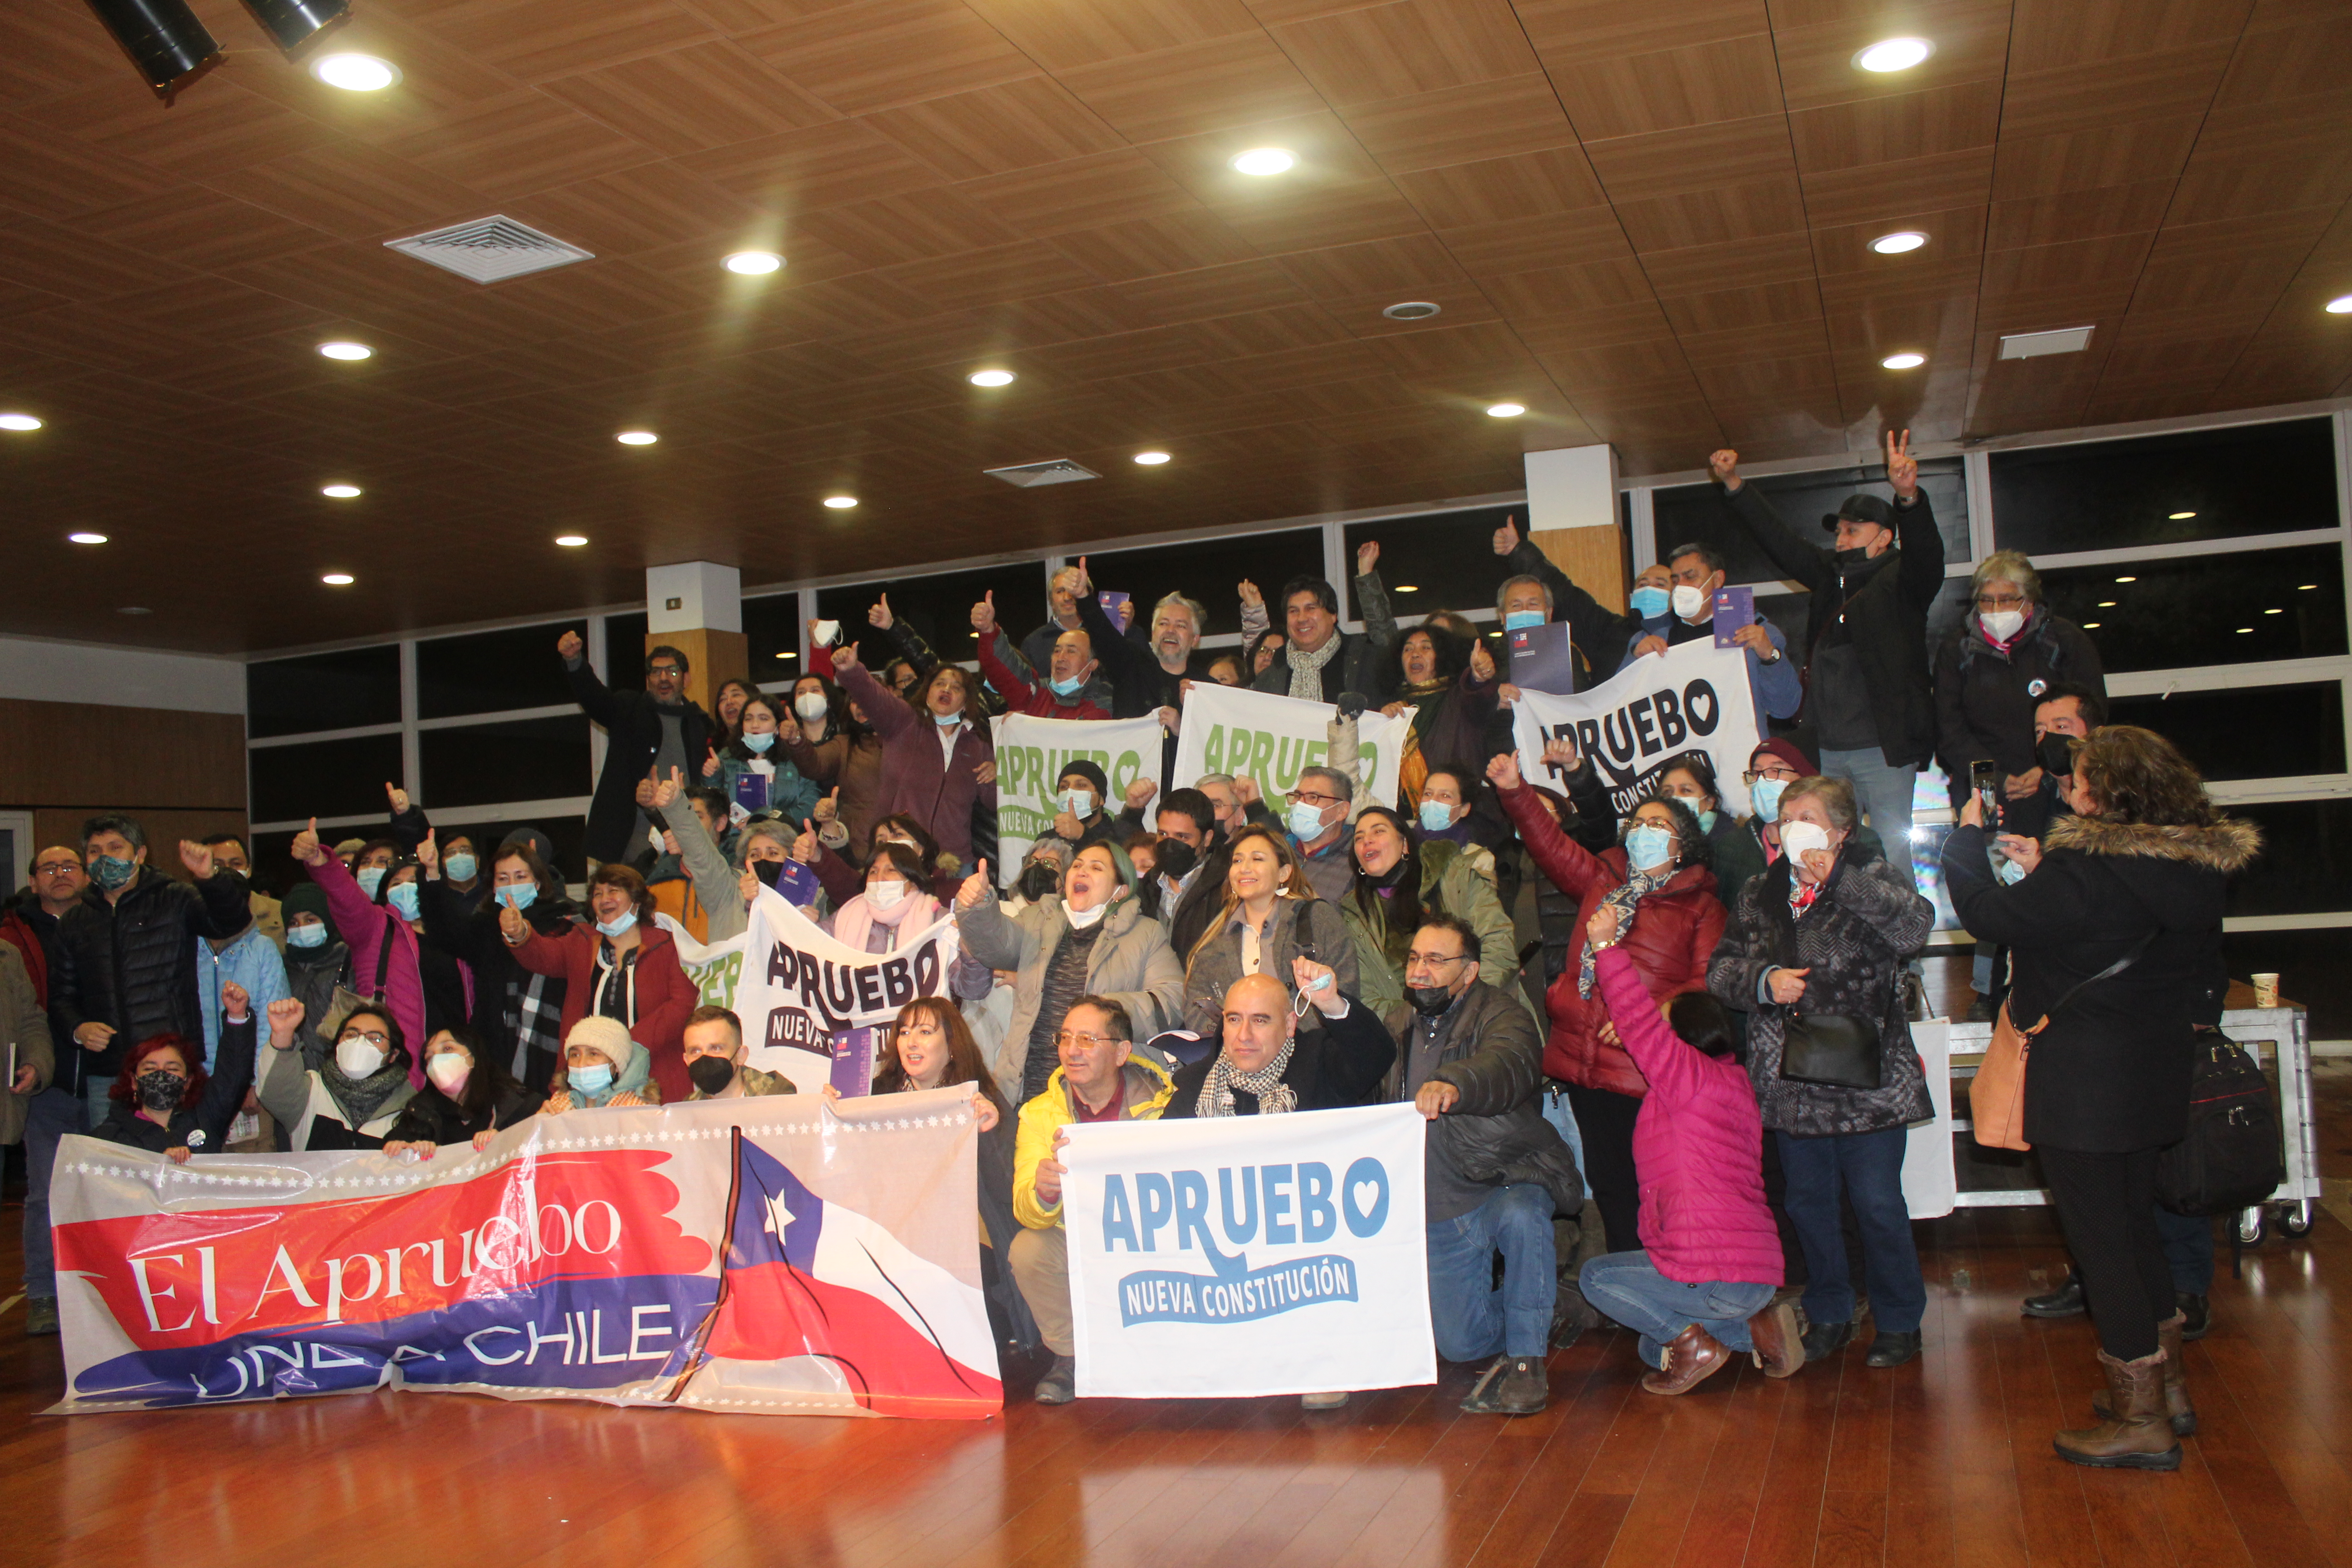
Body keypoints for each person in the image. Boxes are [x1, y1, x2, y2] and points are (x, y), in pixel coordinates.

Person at [1942, 726, 2254, 1469]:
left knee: (2101, 1243)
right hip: (2151, 1073)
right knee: (2133, 1226)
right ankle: (2166, 1389)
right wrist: (2048, 867)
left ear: (2104, 790)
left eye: (2078, 776)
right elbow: (2108, 913)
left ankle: (2136, 1417)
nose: (2068, 787)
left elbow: (1990, 917)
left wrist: (1961, 846)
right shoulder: (2189, 864)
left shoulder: (2086, 868)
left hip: (2082, 1081)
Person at [1708, 774, 1934, 1369]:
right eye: (1786, 817)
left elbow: (1914, 930)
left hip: (1867, 1079)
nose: (1794, 826)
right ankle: (1831, 1310)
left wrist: (1840, 879)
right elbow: (1721, 971)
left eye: (1806, 815)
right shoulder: (1761, 891)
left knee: (1877, 1203)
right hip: (1790, 1081)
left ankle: (1900, 1319)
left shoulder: (1874, 879)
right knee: (1808, 1203)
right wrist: (1764, 982)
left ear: (1840, 829)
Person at [1490, 746, 1725, 1255]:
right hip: (1585, 1062)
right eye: (1637, 822)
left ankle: (1670, 1285)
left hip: (1646, 1069)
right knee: (1610, 1184)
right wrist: (1516, 790)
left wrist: (1660, 1014)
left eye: (1658, 823)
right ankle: (1626, 1285)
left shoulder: (1701, 905)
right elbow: (1550, 844)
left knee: (1657, 1185)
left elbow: (1709, 980)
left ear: (1683, 843)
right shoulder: (1603, 879)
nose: (1643, 830)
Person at [1577, 905, 1802, 1393]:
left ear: (1682, 1037)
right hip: (1752, 1275)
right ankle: (1755, 1331)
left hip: (1714, 1275)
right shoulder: (1730, 1084)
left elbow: (1638, 1021)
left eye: (1665, 1024)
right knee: (1647, 1345)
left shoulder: (1687, 1078)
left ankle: (1700, 1344)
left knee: (1597, 1279)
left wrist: (1607, 947)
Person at [1385, 914, 1583, 1416]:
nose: (1420, 972)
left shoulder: (1504, 1014)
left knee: (1523, 1216)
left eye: (1435, 960)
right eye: (1413, 959)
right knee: (1460, 1344)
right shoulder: (1396, 1023)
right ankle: (1546, 1301)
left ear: (1469, 972)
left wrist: (1454, 1083)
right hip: (1439, 1208)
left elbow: (1510, 1064)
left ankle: (1526, 1362)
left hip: (1504, 1179)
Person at [1710, 434, 1944, 857]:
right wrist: (1736, 486)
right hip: (1828, 750)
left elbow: (1927, 555)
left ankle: (1903, 926)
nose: (1841, 539)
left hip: (1883, 749)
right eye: (1839, 531)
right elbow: (1780, 541)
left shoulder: (1904, 580)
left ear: (1884, 538)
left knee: (1891, 852)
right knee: (1827, 854)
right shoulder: (1827, 576)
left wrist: (1909, 498)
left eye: (1853, 531)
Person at [1010, 995, 1177, 1404]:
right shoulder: (1038, 1114)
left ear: (1121, 1052)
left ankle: (1175, 1351)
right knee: (1028, 1249)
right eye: (1065, 1038)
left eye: (1087, 1039)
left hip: (1156, 1237)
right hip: (1081, 1237)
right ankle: (1071, 1357)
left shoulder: (1169, 1105)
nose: (1071, 1050)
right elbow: (1026, 1209)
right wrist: (1044, 1192)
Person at [858, 997, 1034, 1353]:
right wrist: (836, 1113)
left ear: (952, 1045)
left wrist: (989, 1134)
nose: (911, 1041)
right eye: (904, 1032)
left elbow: (1007, 1194)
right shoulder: (873, 1096)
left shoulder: (981, 1103)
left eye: (925, 1032)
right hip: (893, 1228)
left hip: (964, 1235)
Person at [50, 818, 252, 1122]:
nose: (105, 857)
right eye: (94, 851)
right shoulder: (75, 921)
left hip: (170, 1064)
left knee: (178, 1159)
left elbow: (230, 922)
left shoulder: (175, 897)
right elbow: (60, 997)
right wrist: (78, 1028)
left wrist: (209, 878)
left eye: (115, 847)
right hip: (108, 1072)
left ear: (141, 853)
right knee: (114, 1166)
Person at [953, 841, 1185, 1102]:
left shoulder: (1146, 933)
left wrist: (1107, 1013)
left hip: (1101, 1096)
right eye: (1077, 866)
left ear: (1120, 891)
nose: (1082, 872)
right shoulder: (1037, 919)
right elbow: (995, 946)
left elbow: (1172, 1002)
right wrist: (980, 905)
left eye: (1096, 868)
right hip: (1026, 1087)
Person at [506, 862, 696, 1103]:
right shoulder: (581, 941)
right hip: (586, 1078)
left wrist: (626, 1044)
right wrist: (520, 933)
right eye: (598, 893)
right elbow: (543, 956)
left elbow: (683, 1004)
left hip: (655, 1073)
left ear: (637, 901)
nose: (604, 898)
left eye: (613, 891)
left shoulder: (669, 945)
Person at [287, 821, 452, 1080]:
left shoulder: (453, 933)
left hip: (450, 1066)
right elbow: (347, 898)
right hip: (393, 1068)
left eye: (413, 880)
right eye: (396, 882)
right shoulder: (375, 928)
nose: (406, 887)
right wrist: (320, 860)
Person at [416, 835, 575, 1093]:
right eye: (503, 879)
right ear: (492, 887)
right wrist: (432, 875)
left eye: (520, 876)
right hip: (494, 1048)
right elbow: (444, 931)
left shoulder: (564, 926)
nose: (511, 885)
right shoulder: (486, 928)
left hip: (549, 1044)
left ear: (538, 881)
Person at [1180, 823, 1356, 1045]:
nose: (1244, 868)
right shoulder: (1213, 941)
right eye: (1237, 861)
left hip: (1309, 1058)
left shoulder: (1317, 919)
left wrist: (1284, 1041)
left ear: (1284, 873)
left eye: (1257, 859)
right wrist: (1238, 1042)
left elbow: (1346, 991)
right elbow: (1196, 1008)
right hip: (1237, 1062)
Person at [557, 629, 715, 869]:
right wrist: (575, 662)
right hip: (631, 836)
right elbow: (595, 700)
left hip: (684, 834)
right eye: (656, 672)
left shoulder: (701, 723)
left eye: (672, 672)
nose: (664, 678)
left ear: (686, 680)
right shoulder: (628, 709)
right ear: (648, 680)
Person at [829, 639, 992, 867]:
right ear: (927, 692)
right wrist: (851, 670)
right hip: (898, 856)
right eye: (940, 684)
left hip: (954, 862)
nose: (947, 689)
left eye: (956, 688)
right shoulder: (903, 721)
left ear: (966, 702)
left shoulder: (979, 744)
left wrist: (998, 774)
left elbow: (995, 803)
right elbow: (873, 697)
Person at [1340, 806, 1516, 1015]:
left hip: (1480, 1013)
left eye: (1379, 831)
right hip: (1407, 1030)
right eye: (1359, 838)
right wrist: (1414, 1019)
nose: (1367, 841)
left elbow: (1498, 942)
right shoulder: (1354, 914)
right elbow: (1366, 996)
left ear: (1405, 844)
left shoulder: (1455, 876)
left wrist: (1462, 1004)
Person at [11, 845, 83, 1336]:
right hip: (46, 1087)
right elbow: (28, 1017)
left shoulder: (107, 924)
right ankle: (41, 1294)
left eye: (68, 867)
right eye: (48, 869)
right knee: (44, 1195)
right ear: (34, 882)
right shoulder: (11, 938)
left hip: (105, 1079)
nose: (59, 875)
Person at [1622, 544, 1803, 731]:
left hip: (1737, 753)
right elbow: (1619, 708)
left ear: (1717, 580)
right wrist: (1635, 659)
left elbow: (1785, 709)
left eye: (1690, 577)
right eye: (1676, 581)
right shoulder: (1651, 636)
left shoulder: (1755, 633)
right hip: (1677, 757)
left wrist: (1771, 658)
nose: (1681, 587)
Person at [90, 987, 259, 1160]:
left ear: (188, 1082)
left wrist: (237, 1017)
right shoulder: (109, 1138)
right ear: (133, 1081)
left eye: (172, 1069)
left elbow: (233, 1077)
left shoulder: (205, 1116)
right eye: (150, 1068)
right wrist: (159, 1162)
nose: (161, 1075)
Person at [1490, 513, 1639, 693]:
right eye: (1516, 606)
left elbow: (1579, 705)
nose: (1525, 611)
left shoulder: (1566, 655)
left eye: (1533, 604)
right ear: (1503, 616)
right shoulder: (1487, 661)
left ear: (1549, 613)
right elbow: (1567, 595)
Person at [258, 998, 418, 1150]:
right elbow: (274, 1093)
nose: (360, 1043)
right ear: (337, 1045)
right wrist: (283, 1034)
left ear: (393, 1055)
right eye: (351, 1035)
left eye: (374, 1038)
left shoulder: (411, 1110)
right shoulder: (312, 1091)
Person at [1251, 549, 1398, 702]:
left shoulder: (1362, 659)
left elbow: (1391, 645)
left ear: (1333, 614)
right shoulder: (1271, 674)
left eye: (1311, 609)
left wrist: (1366, 575)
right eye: (1294, 611)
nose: (1302, 618)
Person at [380, 1025, 540, 1157]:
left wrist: (508, 1141)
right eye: (429, 1058)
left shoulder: (519, 1105)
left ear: (474, 1056)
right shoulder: (418, 1116)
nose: (436, 1061)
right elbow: (388, 1168)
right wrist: (404, 1154)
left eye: (448, 1048)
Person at [782, 668, 885, 865]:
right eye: (855, 700)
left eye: (869, 698)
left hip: (905, 845)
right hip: (860, 851)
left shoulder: (908, 741)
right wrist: (797, 740)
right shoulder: (844, 744)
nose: (861, 705)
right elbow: (815, 766)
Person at [193, 877, 289, 1073]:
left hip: (247, 1077)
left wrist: (255, 1081)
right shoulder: (186, 948)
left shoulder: (263, 949)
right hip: (196, 1080)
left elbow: (270, 1023)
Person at [974, 592, 1110, 720]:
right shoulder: (1035, 692)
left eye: (1071, 651)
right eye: (1057, 651)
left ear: (1093, 664)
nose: (1061, 658)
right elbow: (1003, 668)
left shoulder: (1106, 704)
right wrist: (988, 630)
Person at [710, 692, 820, 823]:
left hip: (785, 838)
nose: (755, 725)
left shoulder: (795, 760)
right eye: (748, 719)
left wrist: (768, 818)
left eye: (763, 718)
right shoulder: (726, 758)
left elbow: (810, 805)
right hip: (736, 840)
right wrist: (711, 775)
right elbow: (712, 806)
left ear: (778, 726)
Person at [825, 842, 947, 953]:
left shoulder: (939, 920)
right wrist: (807, 921)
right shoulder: (845, 916)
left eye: (891, 870)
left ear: (913, 881)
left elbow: (957, 974)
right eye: (873, 872)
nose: (880, 879)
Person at [541, 1014, 660, 1112]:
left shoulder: (636, 1110)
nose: (581, 1064)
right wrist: (540, 1125)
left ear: (616, 1065)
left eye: (593, 1054)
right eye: (575, 1055)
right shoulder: (558, 1104)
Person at [679, 1004, 795, 1099]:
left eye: (716, 1049)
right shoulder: (687, 1112)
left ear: (741, 1055)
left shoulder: (776, 1098)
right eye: (695, 1051)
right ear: (686, 1060)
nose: (705, 1058)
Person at [1279, 763, 1357, 902]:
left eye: (1313, 797)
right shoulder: (1278, 851)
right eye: (1298, 796)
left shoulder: (1356, 864)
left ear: (1342, 811)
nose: (1300, 804)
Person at [201, 833, 284, 947]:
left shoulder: (279, 912)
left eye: (236, 864)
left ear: (249, 870)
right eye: (217, 865)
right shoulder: (193, 913)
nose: (227, 871)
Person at [710, 676, 756, 747]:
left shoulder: (766, 742)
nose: (729, 702)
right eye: (723, 699)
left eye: (736, 695)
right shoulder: (713, 748)